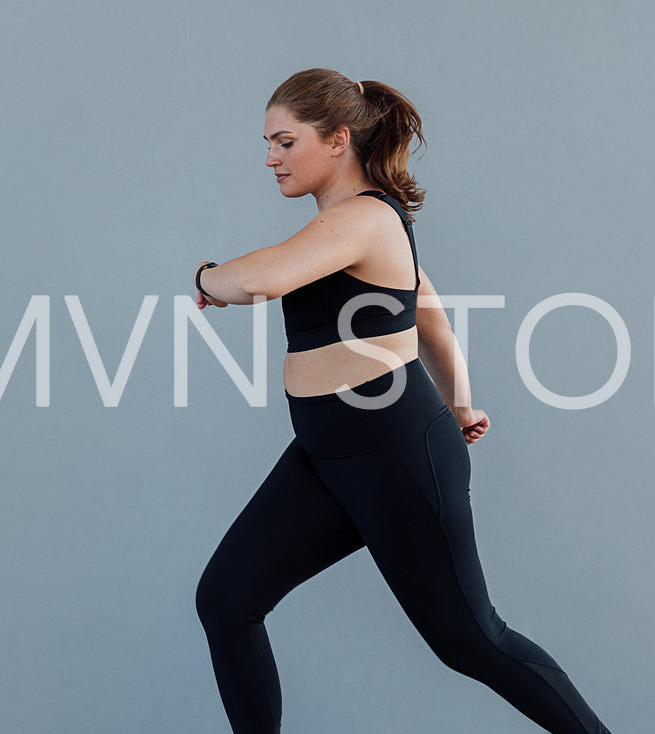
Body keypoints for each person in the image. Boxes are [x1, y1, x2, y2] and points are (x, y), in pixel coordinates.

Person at [190, 68, 612, 734]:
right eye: (267, 143)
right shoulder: (345, 226)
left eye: (283, 141)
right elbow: (433, 321)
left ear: (337, 140)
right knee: (226, 598)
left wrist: (203, 276)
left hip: (390, 450)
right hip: (328, 450)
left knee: (472, 640)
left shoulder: (362, 218)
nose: (269, 158)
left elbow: (262, 277)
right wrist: (463, 405)